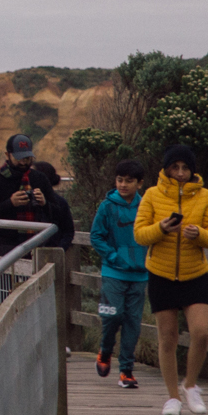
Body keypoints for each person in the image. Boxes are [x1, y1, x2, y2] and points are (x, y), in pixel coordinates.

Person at [133, 144, 208, 415]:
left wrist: (199, 235)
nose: (181, 173)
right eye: (175, 167)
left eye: (185, 168)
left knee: (201, 332)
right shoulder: (151, 194)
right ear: (166, 168)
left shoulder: (204, 195)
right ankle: (172, 398)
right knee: (167, 338)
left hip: (195, 273)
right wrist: (160, 228)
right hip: (161, 273)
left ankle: (191, 385)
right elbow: (139, 234)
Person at [89, 159, 149, 389]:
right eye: (119, 180)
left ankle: (126, 371)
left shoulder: (146, 207)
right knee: (112, 315)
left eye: (129, 181)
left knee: (133, 322)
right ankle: (105, 351)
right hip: (113, 272)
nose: (123, 185)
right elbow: (96, 236)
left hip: (140, 274)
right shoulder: (107, 206)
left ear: (140, 183)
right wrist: (113, 258)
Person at [0, 134, 56, 257]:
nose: (23, 161)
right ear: (7, 155)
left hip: (35, 243)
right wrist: (10, 203)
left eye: (27, 157)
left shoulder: (39, 178)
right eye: (18, 157)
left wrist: (44, 203)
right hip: (5, 245)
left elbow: (58, 211)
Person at [32, 160, 77, 249]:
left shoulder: (60, 202)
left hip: (50, 254)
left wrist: (59, 250)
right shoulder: (26, 199)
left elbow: (68, 231)